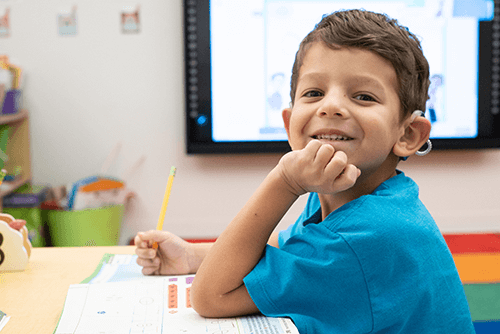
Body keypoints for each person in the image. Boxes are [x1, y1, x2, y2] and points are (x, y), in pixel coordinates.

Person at [135, 9, 474, 333]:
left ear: (407, 135)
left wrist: (284, 181)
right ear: (289, 121)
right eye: (314, 93)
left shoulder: (370, 235)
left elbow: (211, 296)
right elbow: (289, 248)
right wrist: (191, 255)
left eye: (363, 96)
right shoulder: (357, 197)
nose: (331, 106)